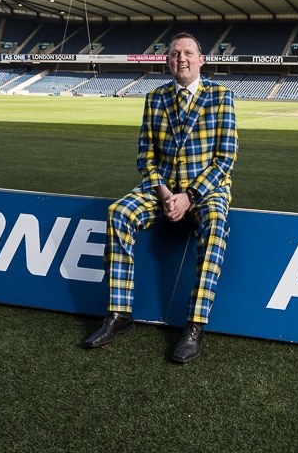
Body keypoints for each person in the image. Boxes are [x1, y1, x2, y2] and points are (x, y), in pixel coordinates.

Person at [83, 32, 238, 363]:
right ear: (167, 60)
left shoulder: (222, 96)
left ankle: (194, 325)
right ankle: (119, 314)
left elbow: (225, 158)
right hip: (161, 190)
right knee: (119, 213)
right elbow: (145, 156)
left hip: (205, 191)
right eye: (174, 53)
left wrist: (190, 195)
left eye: (188, 53)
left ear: (201, 59)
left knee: (215, 224)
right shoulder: (155, 98)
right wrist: (166, 192)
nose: (181, 58)